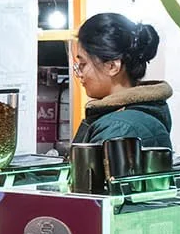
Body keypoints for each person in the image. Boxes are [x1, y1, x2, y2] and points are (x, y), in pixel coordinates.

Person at [70, 13, 173, 149]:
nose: (80, 73)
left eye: (83, 64)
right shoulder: (135, 115)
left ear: (112, 66)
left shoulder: (119, 129)